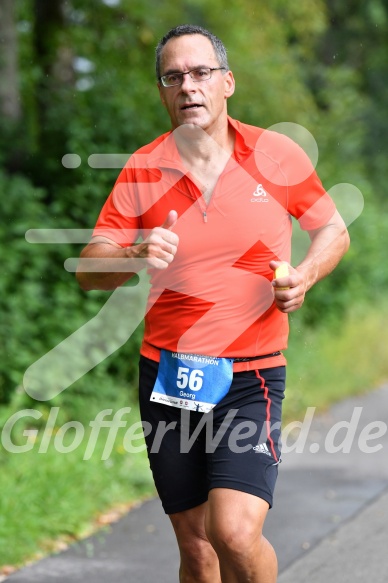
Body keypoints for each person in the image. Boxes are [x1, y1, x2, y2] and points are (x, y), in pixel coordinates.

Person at [76, 24, 350, 583]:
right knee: (197, 548)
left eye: (200, 73)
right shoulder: (143, 167)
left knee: (235, 534)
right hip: (169, 377)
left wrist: (304, 275)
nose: (188, 87)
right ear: (162, 92)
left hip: (251, 376)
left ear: (227, 83)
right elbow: (88, 268)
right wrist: (134, 251)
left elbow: (334, 231)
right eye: (173, 77)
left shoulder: (275, 154)